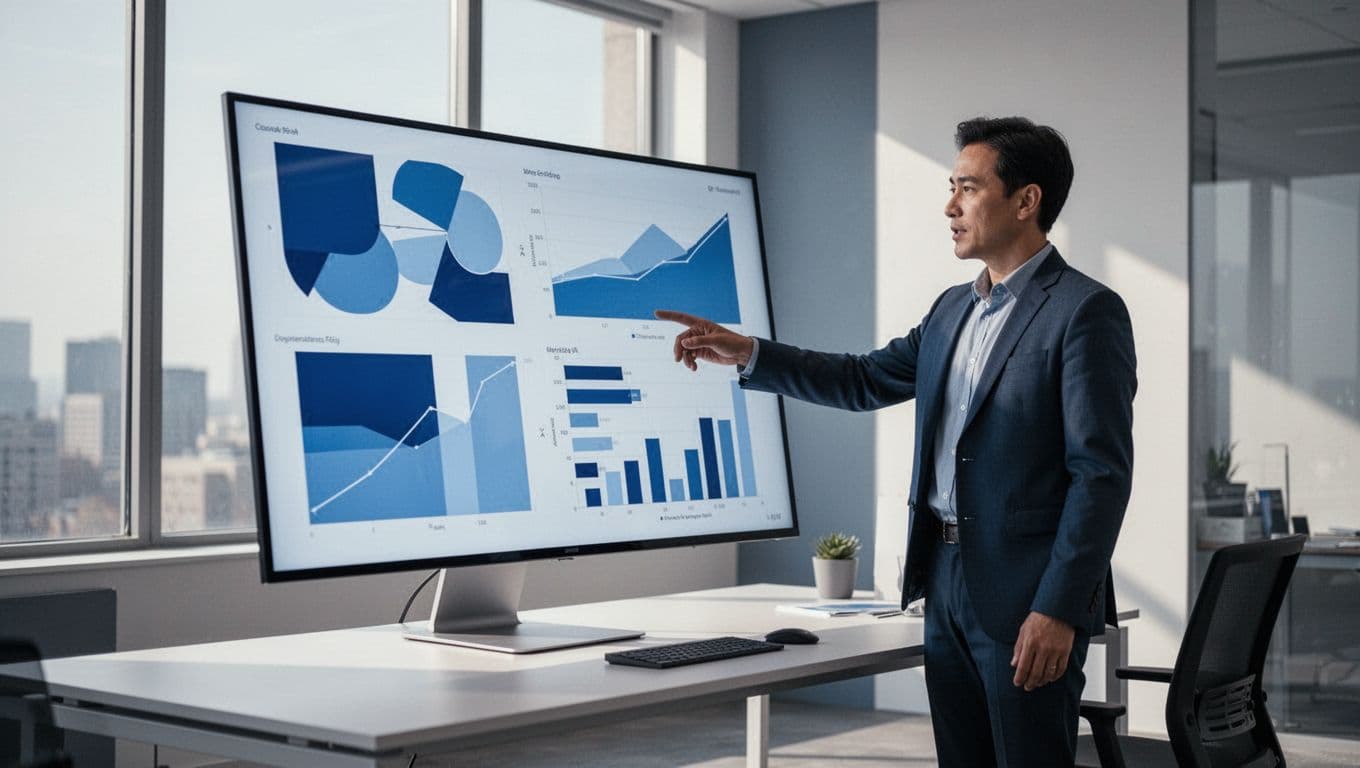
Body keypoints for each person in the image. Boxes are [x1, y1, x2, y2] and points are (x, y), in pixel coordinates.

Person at [657, 116, 1136, 767]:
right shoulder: (950, 311)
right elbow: (861, 379)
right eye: (950, 187)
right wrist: (750, 354)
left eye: (967, 188)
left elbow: (1100, 475)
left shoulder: (1084, 310)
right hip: (945, 581)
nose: (950, 206)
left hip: (1028, 594)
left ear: (1027, 201)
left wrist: (1057, 608)